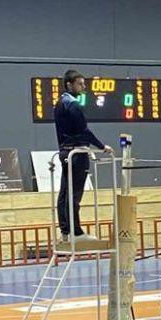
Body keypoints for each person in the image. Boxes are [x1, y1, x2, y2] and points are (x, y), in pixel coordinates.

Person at [54, 70, 112, 241]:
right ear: (69, 85)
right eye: (80, 84)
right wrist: (102, 146)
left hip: (65, 152)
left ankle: (65, 232)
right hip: (77, 153)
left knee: (65, 193)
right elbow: (84, 131)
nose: (83, 87)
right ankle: (76, 233)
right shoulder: (73, 104)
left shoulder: (59, 103)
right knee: (73, 195)